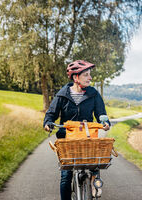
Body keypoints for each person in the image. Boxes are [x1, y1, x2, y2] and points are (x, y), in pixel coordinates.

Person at [43, 60, 110, 200]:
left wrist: (105, 122)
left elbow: (100, 114)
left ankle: (93, 183)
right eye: (86, 75)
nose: (90, 78)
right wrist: (48, 122)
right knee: (66, 177)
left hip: (87, 136)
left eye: (89, 75)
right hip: (67, 139)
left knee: (95, 163)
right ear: (75, 77)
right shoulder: (62, 95)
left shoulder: (93, 94)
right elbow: (51, 114)